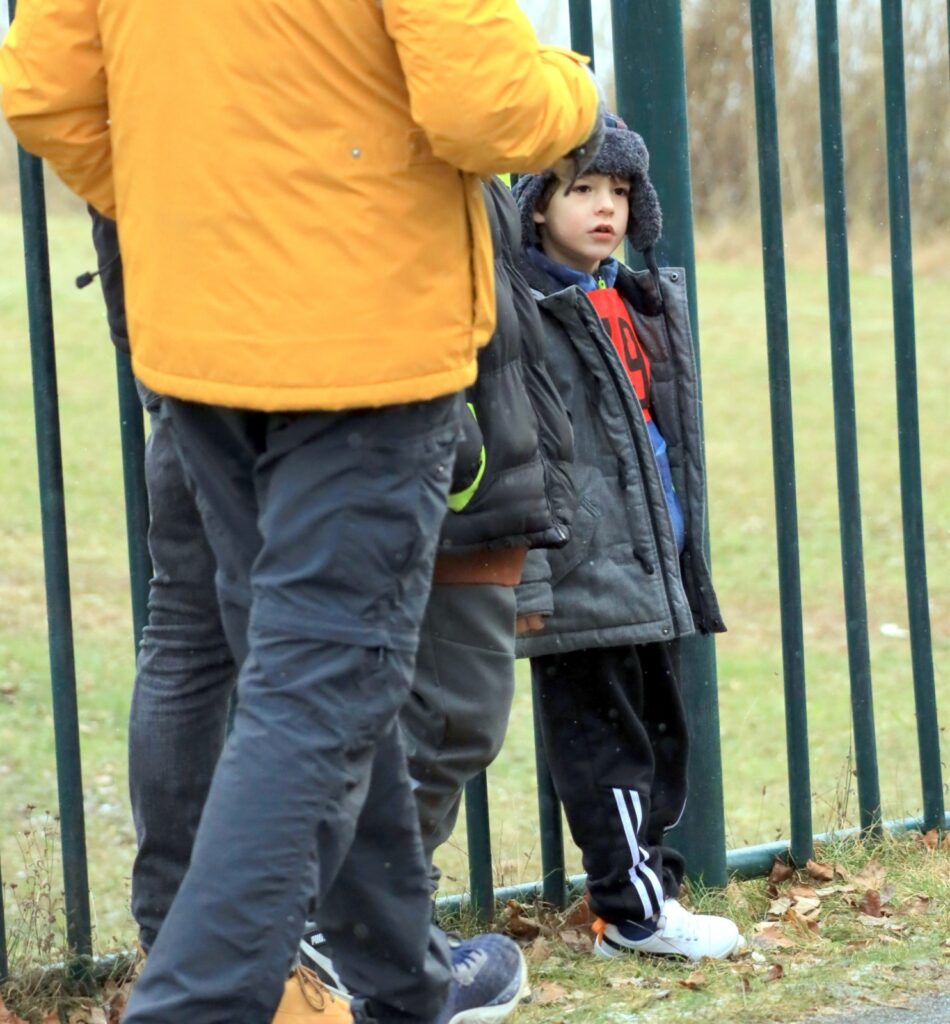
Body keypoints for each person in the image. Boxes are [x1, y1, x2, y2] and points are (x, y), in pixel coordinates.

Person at [0, 3, 601, 1022]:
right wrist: (574, 88)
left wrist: (184, 211)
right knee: (318, 688)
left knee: (320, 674)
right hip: (361, 339)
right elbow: (484, 103)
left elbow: (45, 91)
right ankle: (191, 1006)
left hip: (199, 339)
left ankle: (404, 984)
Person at [300, 177, 577, 990]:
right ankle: (349, 930)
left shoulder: (478, 169)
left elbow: (511, 347)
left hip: (480, 477)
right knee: (442, 716)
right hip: (435, 467)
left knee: (456, 718)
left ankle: (383, 922)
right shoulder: (418, 133)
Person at [512, 115, 742, 962]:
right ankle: (631, 911)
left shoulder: (632, 298)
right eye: (582, 188)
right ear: (537, 205)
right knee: (603, 751)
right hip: (578, 574)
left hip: (650, 565)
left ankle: (647, 898)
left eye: (618, 190)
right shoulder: (525, 312)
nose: (605, 206)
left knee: (657, 740)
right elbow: (519, 457)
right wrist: (531, 587)